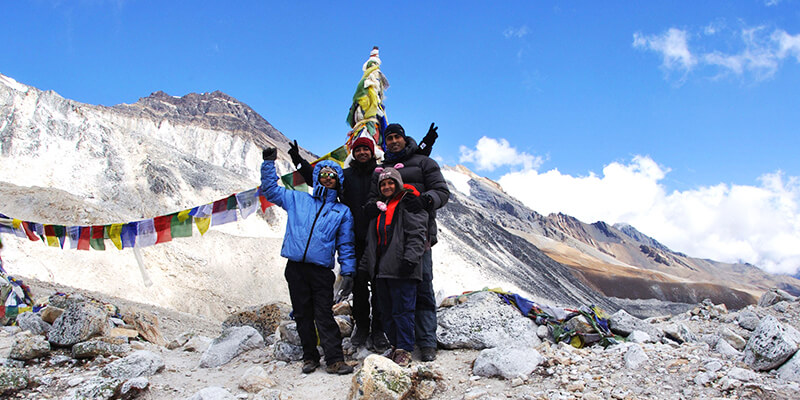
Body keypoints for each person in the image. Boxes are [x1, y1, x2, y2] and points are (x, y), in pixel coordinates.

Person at [259, 147, 355, 375]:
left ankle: (334, 360)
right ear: (317, 177)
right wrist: (268, 163)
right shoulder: (296, 199)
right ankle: (309, 357)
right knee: (302, 314)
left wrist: (349, 270)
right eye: (324, 174)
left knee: (323, 314)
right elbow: (271, 190)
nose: (328, 178)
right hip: (295, 268)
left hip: (321, 270)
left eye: (333, 176)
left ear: (338, 181)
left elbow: (346, 244)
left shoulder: (342, 212)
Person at [367, 123, 450, 362]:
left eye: (397, 137)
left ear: (404, 139)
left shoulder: (424, 163)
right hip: (387, 242)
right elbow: (374, 199)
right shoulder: (381, 169)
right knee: (391, 295)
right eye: (389, 138)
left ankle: (426, 342)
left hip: (418, 237)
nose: (393, 141)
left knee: (422, 288)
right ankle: (401, 343)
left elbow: (442, 192)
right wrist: (372, 206)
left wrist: (425, 201)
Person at [360, 167, 428, 367]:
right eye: (383, 184)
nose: (387, 186)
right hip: (381, 270)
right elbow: (372, 242)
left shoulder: (409, 203)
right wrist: (365, 267)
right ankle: (396, 345)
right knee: (386, 312)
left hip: (402, 268)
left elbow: (417, 234)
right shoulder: (380, 209)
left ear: (398, 183)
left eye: (391, 183)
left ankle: (405, 349)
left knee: (403, 310)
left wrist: (410, 260)